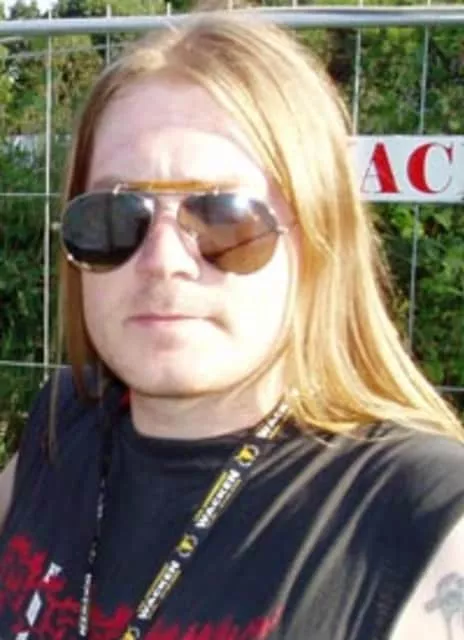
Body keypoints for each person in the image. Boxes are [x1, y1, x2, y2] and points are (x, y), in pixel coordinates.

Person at [0, 12, 463, 640]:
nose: (162, 261)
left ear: (319, 239)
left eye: (224, 217)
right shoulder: (64, 427)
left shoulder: (420, 515)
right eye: (114, 217)